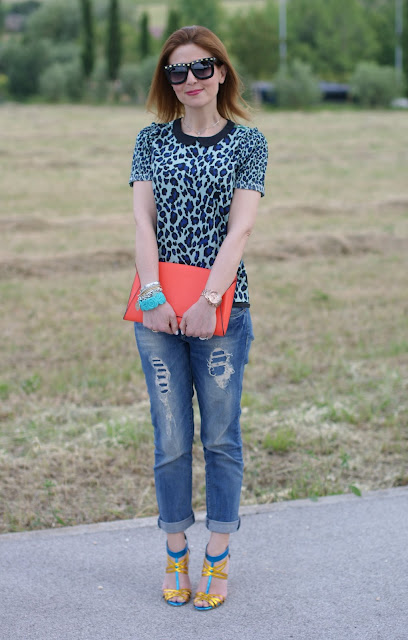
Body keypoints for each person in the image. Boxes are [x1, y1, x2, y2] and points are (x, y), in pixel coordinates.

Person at [129, 24, 268, 610]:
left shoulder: (248, 143)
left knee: (220, 437)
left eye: (201, 68)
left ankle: (217, 554)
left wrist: (208, 300)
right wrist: (157, 298)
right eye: (176, 72)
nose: (189, 80)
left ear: (221, 72)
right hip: (156, 313)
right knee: (170, 439)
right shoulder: (149, 141)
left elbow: (241, 228)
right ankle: (174, 550)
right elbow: (142, 224)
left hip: (222, 312)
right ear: (168, 80)